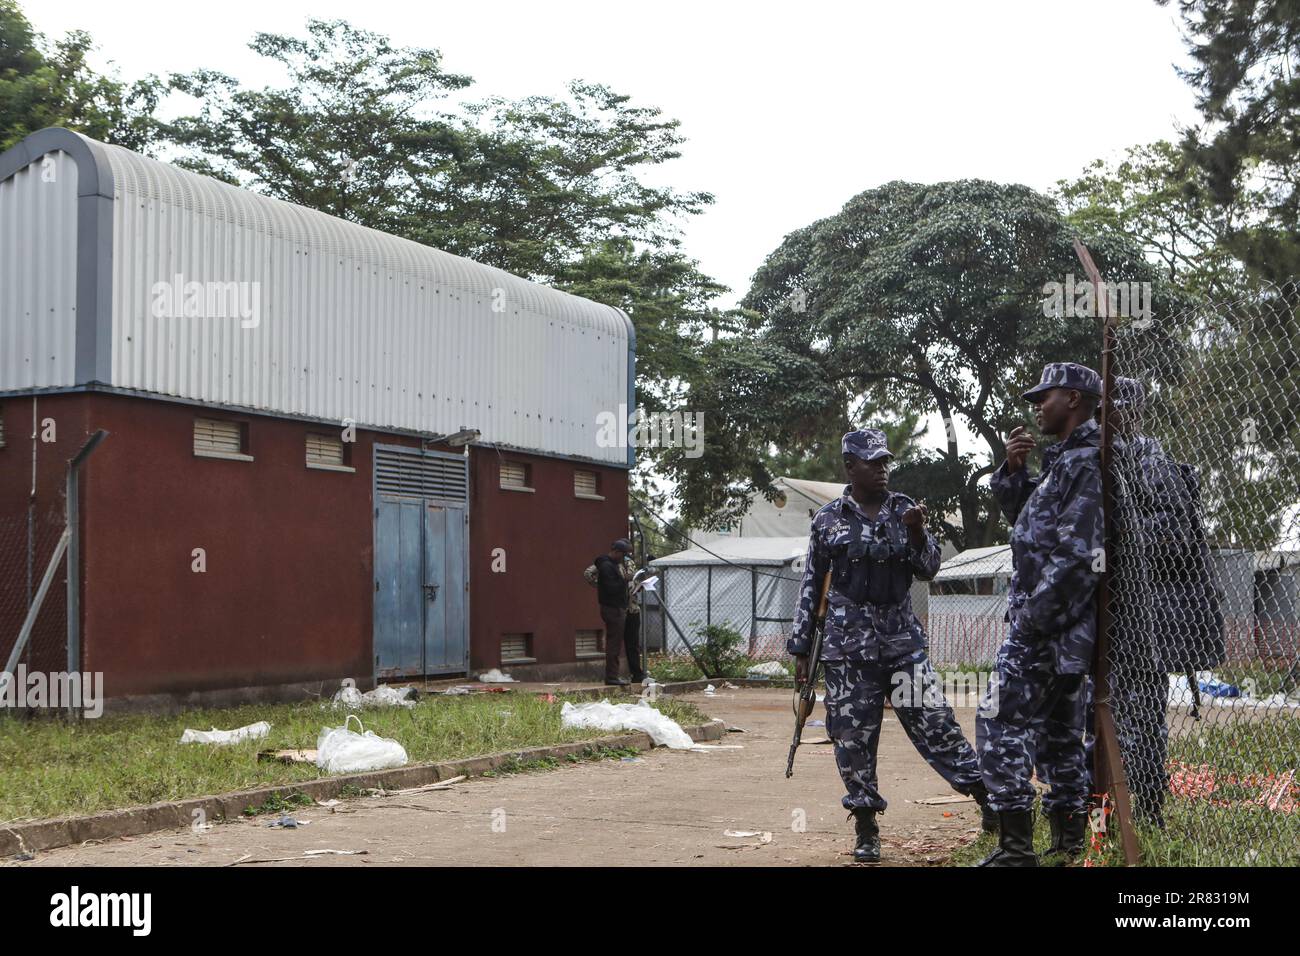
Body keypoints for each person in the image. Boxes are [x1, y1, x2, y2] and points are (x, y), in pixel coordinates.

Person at [790, 428, 994, 864]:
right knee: (852, 740)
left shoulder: (905, 511)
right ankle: (866, 826)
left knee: (937, 725)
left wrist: (919, 534)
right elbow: (811, 585)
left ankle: (988, 802)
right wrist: (801, 649)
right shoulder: (827, 519)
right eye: (872, 462)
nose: (882, 469)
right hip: (847, 649)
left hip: (902, 645)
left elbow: (930, 569)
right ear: (850, 466)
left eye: (885, 461)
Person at [978, 362, 1104, 866]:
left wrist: (1032, 621)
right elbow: (1031, 524)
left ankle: (1015, 849)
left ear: (1072, 399)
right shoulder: (1064, 459)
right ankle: (1068, 842)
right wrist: (1013, 472)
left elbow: (1077, 558)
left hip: (1050, 629)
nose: (1036, 407)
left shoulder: (1086, 461)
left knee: (999, 721)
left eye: (1043, 397)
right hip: (1058, 631)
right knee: (1057, 736)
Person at [1107, 376, 1224, 827]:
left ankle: (1148, 814)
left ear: (1134, 411)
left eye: (1120, 406)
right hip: (1114, 616)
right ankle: (1112, 809)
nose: (1110, 413)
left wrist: (1118, 538)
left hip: (1143, 620)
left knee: (1141, 722)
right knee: (1107, 718)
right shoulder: (1106, 457)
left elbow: (1175, 541)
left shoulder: (1153, 464)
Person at [593, 539, 635, 686]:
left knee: (615, 642)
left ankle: (612, 676)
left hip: (615, 607)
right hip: (612, 608)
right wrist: (625, 580)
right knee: (614, 643)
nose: (623, 558)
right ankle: (611, 677)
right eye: (622, 554)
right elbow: (612, 588)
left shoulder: (612, 565)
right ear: (616, 552)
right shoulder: (606, 566)